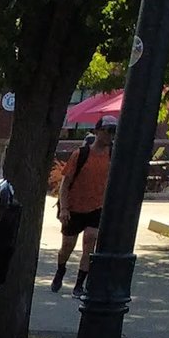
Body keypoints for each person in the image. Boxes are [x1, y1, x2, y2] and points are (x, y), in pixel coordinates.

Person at [52, 115, 116, 296]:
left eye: (114, 132)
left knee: (90, 240)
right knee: (68, 246)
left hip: (96, 208)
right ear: (97, 131)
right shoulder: (80, 154)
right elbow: (65, 183)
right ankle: (60, 270)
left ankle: (79, 284)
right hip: (74, 207)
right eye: (108, 131)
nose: (111, 136)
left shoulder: (112, 156)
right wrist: (64, 208)